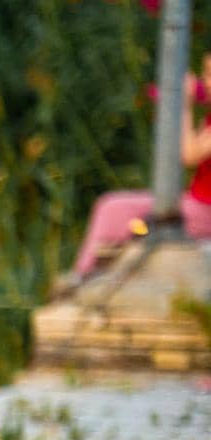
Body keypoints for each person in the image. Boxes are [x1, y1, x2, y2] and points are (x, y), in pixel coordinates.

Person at [69, 58, 211, 281]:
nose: (204, 81)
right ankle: (92, 279)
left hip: (205, 212)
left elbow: (188, 154)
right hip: (197, 205)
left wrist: (182, 104)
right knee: (117, 213)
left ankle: (81, 280)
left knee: (112, 211)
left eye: (210, 75)